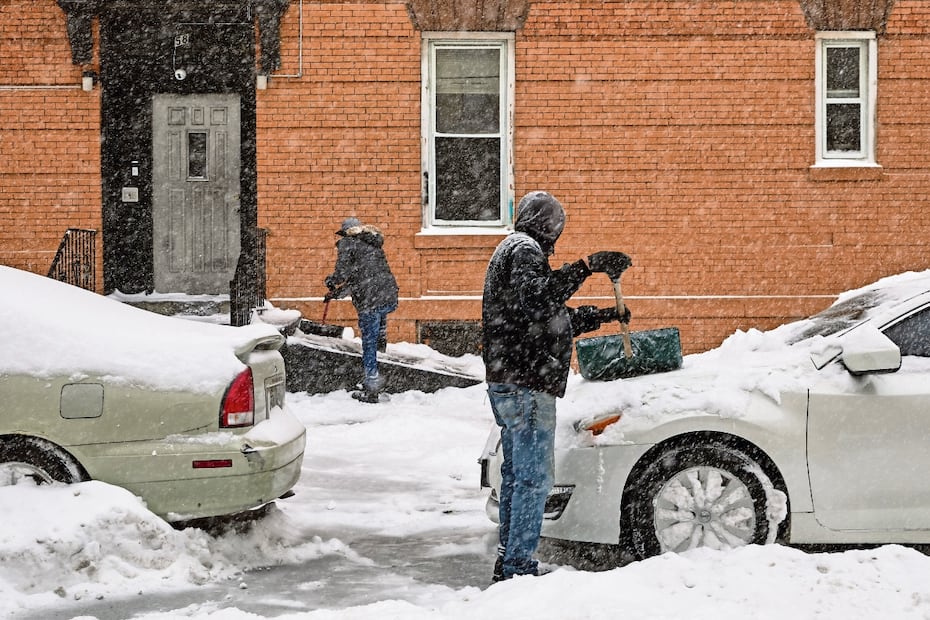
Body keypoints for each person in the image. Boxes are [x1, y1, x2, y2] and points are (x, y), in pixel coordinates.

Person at [482, 190, 632, 582]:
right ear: (550, 227)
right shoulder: (525, 251)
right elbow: (538, 300)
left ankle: (509, 559)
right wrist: (586, 266)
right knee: (534, 480)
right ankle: (518, 567)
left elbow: (541, 314)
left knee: (517, 477)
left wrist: (597, 316)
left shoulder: (510, 250)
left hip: (508, 380)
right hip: (526, 383)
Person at [325, 217, 399, 403]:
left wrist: (332, 282)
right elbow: (361, 277)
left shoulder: (348, 244)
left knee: (369, 341)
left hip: (369, 299)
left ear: (345, 233)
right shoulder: (373, 243)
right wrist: (336, 294)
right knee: (378, 322)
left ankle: (372, 384)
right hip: (387, 292)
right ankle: (382, 332)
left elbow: (344, 274)